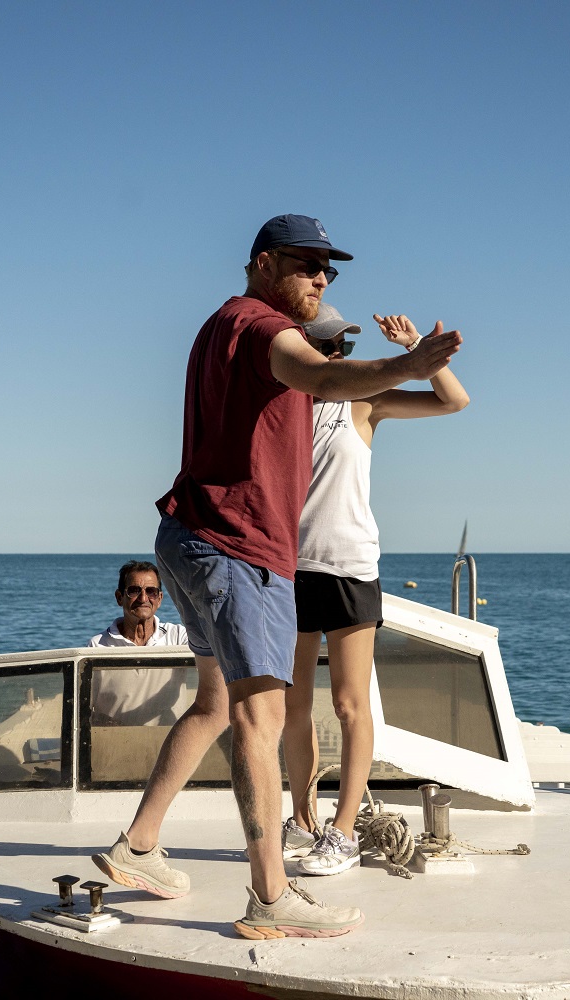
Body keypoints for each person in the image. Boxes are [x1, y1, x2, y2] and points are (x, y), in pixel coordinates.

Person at [92, 214, 462, 940]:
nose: (322, 278)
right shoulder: (262, 329)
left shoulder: (220, 325)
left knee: (213, 704)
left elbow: (324, 380)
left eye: (330, 270)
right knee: (259, 720)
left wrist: (396, 371)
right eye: (306, 264)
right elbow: (320, 371)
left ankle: (137, 846)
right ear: (264, 263)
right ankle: (270, 898)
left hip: (190, 534)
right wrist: (408, 364)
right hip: (240, 547)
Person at [282, 305, 470, 876]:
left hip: (348, 566)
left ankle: (342, 832)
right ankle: (303, 819)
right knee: (291, 706)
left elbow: (453, 401)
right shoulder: (282, 406)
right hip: (288, 568)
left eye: (343, 344)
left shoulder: (369, 400)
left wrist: (417, 353)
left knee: (347, 702)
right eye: (327, 345)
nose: (337, 353)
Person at [88, 561, 191, 727]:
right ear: (119, 597)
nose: (143, 598)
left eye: (151, 591)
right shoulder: (99, 646)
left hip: (169, 741)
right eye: (134, 590)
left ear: (159, 598)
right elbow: (83, 707)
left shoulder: (178, 637)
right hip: (117, 741)